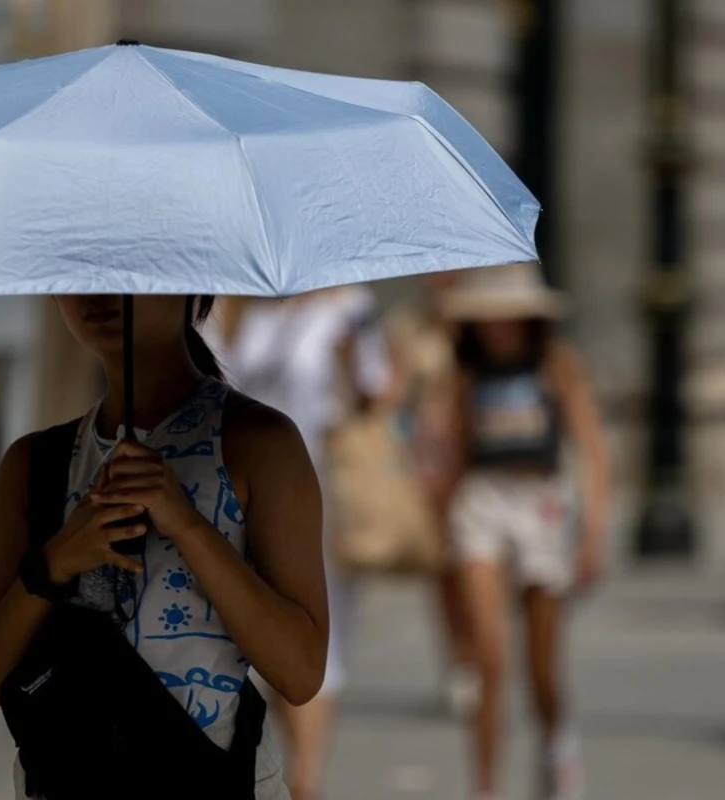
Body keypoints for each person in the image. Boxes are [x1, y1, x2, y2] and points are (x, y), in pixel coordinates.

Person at [0, 295, 328, 799]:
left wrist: (187, 525)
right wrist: (54, 564)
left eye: (128, 272)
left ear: (192, 286)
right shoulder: (34, 464)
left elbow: (301, 672)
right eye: (79, 271)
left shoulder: (259, 443)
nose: (97, 293)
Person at [207, 287, 391, 800]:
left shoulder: (349, 307)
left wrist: (350, 359)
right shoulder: (231, 304)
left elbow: (375, 391)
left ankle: (308, 782)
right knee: (262, 640)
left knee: (315, 636)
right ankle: (289, 774)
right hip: (239, 494)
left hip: (319, 490)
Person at [441, 263, 610, 800]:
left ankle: (557, 742)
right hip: (483, 499)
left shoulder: (556, 364)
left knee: (540, 667)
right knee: (490, 658)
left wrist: (593, 533)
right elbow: (453, 449)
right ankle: (485, 785)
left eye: (507, 314)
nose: (498, 325)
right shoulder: (465, 370)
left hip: (542, 501)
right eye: (488, 315)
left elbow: (593, 449)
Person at [384, 273, 478, 717]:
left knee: (477, 563)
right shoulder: (408, 326)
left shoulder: (481, 320)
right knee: (444, 568)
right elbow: (394, 396)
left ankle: (480, 651)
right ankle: (459, 661)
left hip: (477, 456)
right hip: (429, 459)